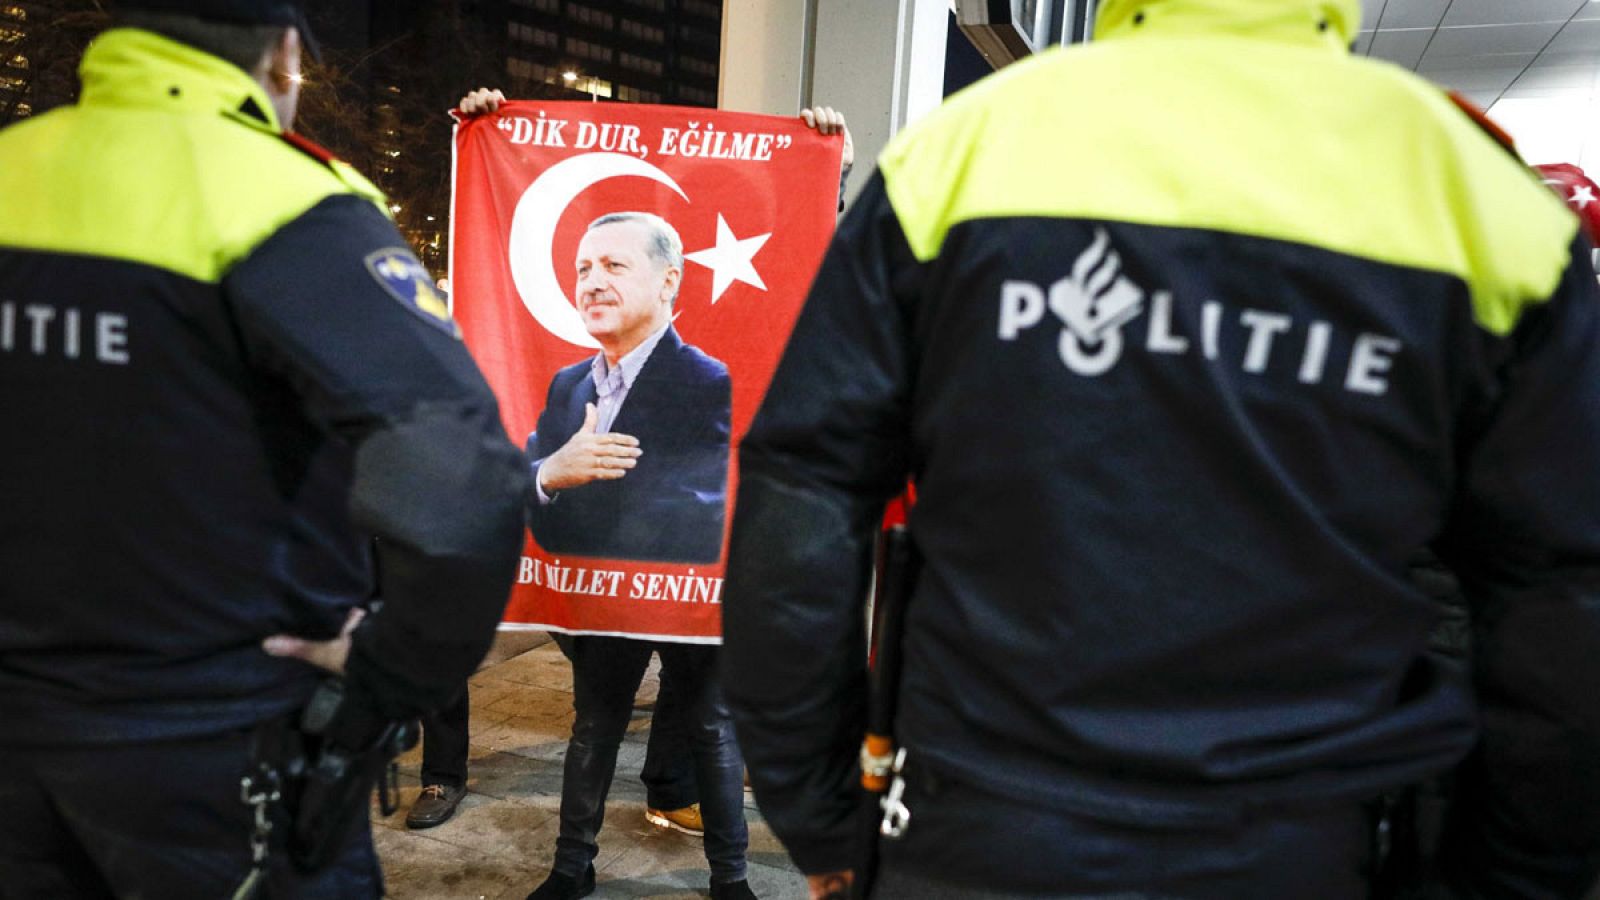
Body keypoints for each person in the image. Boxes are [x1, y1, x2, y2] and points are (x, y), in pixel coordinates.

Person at [722, 0, 1600, 898]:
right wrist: (1517, 875)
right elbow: (1560, 596)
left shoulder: (967, 151)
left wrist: (823, 813)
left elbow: (802, 501)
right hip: (1309, 843)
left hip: (979, 830)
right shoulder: (1482, 203)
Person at [0, 3, 529, 897]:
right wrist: (383, 683)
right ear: (285, 58)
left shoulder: (18, 164)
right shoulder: (284, 200)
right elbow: (466, 487)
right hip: (212, 741)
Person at [525, 209, 732, 565]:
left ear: (667, 283)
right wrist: (550, 473)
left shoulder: (711, 384)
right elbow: (508, 491)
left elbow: (706, 520)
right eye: (583, 270)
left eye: (614, 266)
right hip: (568, 613)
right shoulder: (567, 385)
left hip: (657, 614)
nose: (592, 284)